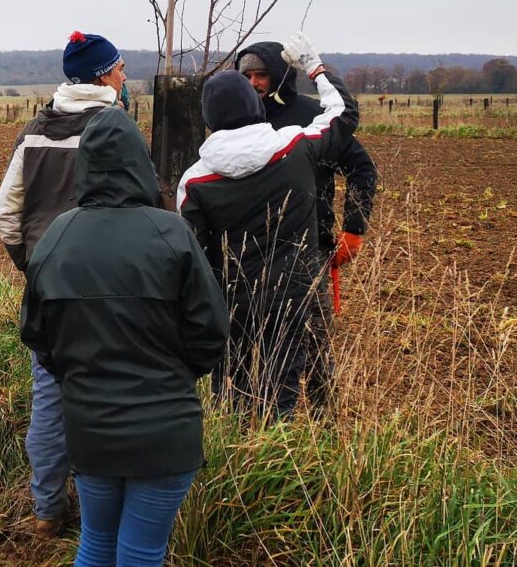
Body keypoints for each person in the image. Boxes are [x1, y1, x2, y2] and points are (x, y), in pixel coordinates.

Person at [21, 107, 229, 565]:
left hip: (90, 430)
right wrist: (174, 376)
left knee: (95, 543)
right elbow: (212, 336)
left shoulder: (57, 237)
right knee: (141, 550)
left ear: (85, 168)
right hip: (166, 431)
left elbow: (39, 338)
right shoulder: (172, 233)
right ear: (141, 163)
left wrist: (81, 376)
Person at [178, 32, 359, 419]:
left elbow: (191, 254)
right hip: (292, 298)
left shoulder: (193, 183)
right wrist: (316, 66)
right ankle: (277, 462)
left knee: (231, 392)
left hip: (230, 305)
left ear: (209, 117)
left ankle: (233, 464)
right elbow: (343, 114)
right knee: (283, 394)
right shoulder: (296, 147)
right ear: (252, 107)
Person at [0, 30, 127, 539]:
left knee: (49, 396)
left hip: (49, 293)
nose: (124, 76)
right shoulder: (115, 129)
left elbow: (5, 215)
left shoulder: (36, 131)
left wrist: (33, 267)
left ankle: (47, 511)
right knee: (109, 397)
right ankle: (102, 516)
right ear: (102, 76)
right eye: (118, 69)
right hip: (111, 291)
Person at [236, 40, 377, 413]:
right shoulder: (234, 119)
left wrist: (353, 228)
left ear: (280, 75)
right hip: (249, 249)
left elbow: (362, 169)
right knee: (245, 337)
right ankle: (254, 420)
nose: (253, 82)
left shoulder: (313, 115)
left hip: (308, 247)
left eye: (261, 74)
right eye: (246, 75)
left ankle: (323, 420)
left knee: (313, 340)